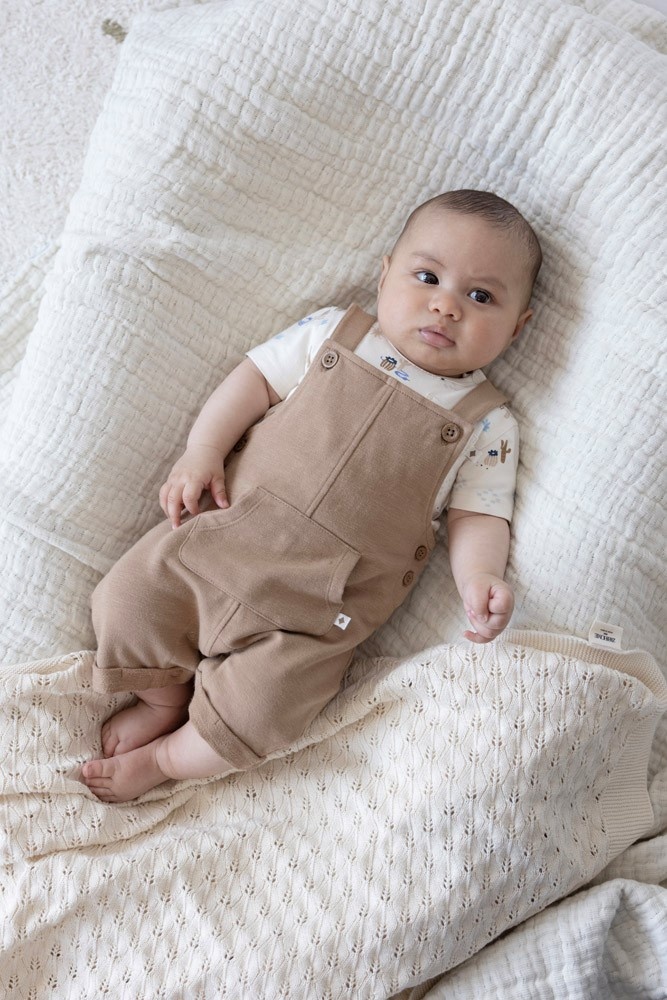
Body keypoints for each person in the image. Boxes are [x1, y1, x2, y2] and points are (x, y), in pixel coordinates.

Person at [81, 189, 542, 802]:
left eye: (480, 297)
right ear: (384, 276)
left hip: (317, 614)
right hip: (221, 541)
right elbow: (252, 381)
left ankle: (167, 758)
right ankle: (162, 700)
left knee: (267, 710)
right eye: (428, 277)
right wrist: (203, 450)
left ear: (518, 327)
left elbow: (478, 515)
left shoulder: (487, 424)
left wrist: (479, 577)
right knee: (129, 600)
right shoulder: (333, 335)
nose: (446, 305)